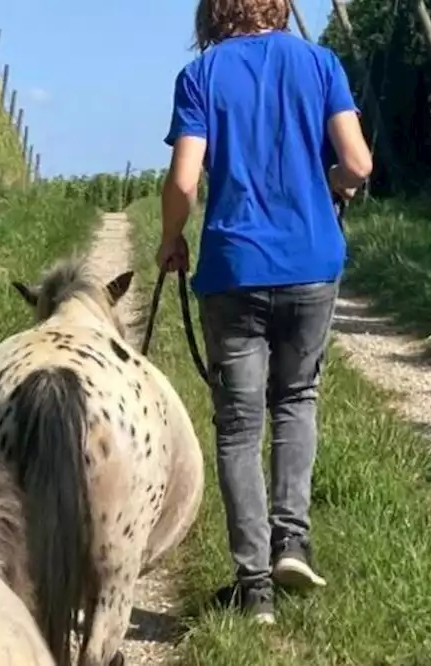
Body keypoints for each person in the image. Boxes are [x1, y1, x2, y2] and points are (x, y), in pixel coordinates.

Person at [156, 0, 373, 625]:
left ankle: (253, 588)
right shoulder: (321, 63)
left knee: (238, 426)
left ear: (215, 12)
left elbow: (185, 181)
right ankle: (292, 542)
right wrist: (330, 181)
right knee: (297, 398)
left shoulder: (200, 76)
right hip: (311, 263)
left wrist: (171, 239)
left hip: (233, 270)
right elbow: (357, 164)